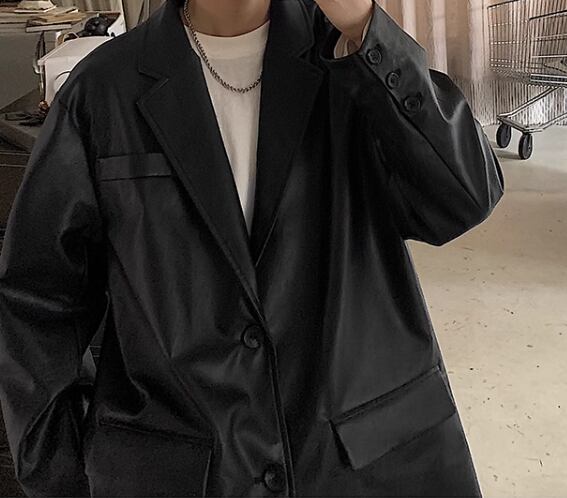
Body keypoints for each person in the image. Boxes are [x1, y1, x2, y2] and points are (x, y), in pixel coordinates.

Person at [0, 0, 504, 496]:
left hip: (371, 460)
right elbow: (37, 298)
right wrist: (65, 470)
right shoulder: (102, 89)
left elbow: (462, 200)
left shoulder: (354, 62)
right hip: (183, 467)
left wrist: (362, 25)